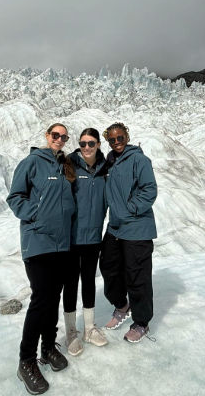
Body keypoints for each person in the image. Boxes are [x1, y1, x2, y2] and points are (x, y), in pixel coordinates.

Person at [6, 123, 76, 395]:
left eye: (63, 136)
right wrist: (36, 213)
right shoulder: (32, 162)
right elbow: (15, 197)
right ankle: (26, 360)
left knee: (53, 297)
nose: (59, 139)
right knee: (41, 299)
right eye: (55, 135)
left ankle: (48, 347)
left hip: (61, 245)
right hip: (38, 242)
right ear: (47, 136)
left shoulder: (65, 166)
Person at [99, 122, 158, 343]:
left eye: (120, 138)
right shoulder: (110, 163)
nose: (116, 143)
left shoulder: (139, 160)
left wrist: (129, 209)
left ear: (127, 136)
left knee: (137, 276)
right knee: (109, 268)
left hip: (137, 228)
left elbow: (149, 189)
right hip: (115, 227)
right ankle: (122, 305)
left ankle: (141, 322)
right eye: (112, 140)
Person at [61, 128, 110, 356]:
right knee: (70, 283)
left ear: (99, 144)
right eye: (83, 143)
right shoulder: (70, 164)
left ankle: (89, 328)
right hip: (71, 237)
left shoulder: (104, 168)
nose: (87, 148)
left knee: (89, 280)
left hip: (93, 237)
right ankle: (71, 331)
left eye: (91, 143)